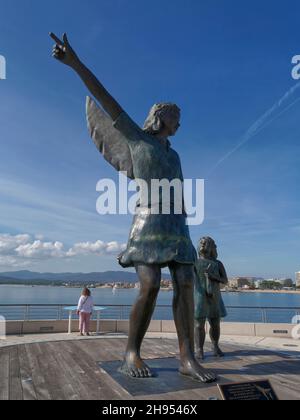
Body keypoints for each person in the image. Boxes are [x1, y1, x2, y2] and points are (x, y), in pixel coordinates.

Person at [50, 32, 216, 383]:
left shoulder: (176, 155)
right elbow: (104, 97)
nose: (180, 120)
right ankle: (131, 352)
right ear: (160, 118)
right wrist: (75, 64)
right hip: (148, 223)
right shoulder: (136, 138)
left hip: (177, 226)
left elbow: (181, 192)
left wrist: (186, 221)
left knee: (186, 282)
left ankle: (187, 356)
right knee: (151, 283)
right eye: (176, 115)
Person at [194, 237, 228, 360]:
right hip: (199, 296)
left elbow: (225, 280)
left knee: (215, 323)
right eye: (201, 242)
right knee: (199, 324)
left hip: (215, 296)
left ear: (211, 247)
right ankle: (199, 349)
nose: (203, 244)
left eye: (206, 243)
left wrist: (214, 276)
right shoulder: (194, 262)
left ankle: (215, 346)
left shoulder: (218, 264)